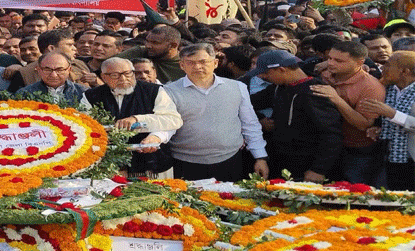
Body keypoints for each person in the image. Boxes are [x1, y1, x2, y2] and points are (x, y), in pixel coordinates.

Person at [164, 43, 268, 182]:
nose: (197, 67)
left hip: (230, 161)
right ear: (182, 65)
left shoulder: (237, 87)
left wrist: (260, 157)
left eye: (203, 62)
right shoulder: (168, 91)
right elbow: (166, 126)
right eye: (190, 63)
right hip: (184, 163)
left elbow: (250, 124)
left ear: (215, 63)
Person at [250, 50, 343, 182]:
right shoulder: (278, 88)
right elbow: (246, 104)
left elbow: (331, 133)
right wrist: (260, 119)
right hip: (281, 162)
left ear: (281, 70)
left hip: (306, 165)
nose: (263, 77)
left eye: (266, 73)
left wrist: (319, 169)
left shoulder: (315, 92)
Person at [81, 58, 182, 177]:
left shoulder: (153, 91)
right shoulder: (91, 96)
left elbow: (173, 120)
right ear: (104, 77)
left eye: (128, 74)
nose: (123, 79)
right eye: (115, 75)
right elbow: (85, 126)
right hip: (108, 166)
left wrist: (138, 120)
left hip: (152, 163)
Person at [312, 41, 385, 185]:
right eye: (330, 58)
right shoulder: (325, 74)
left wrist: (336, 99)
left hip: (358, 151)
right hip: (326, 147)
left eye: (338, 60)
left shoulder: (371, 87)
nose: (331, 63)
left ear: (359, 62)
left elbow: (363, 124)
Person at [362, 51, 415, 191]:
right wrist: (379, 128)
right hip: (388, 158)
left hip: (411, 159)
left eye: (388, 65)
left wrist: (392, 114)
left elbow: (393, 115)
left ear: (404, 71)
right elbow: (384, 119)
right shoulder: (387, 88)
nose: (383, 68)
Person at [116, 26, 185, 83]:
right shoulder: (140, 51)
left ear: (173, 46)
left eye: (155, 43)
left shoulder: (185, 64)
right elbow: (110, 64)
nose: (148, 45)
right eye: (147, 41)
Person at [16, 52, 87, 105]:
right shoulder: (24, 94)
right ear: (38, 70)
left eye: (59, 70)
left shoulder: (83, 93)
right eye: (47, 70)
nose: (54, 75)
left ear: (69, 70)